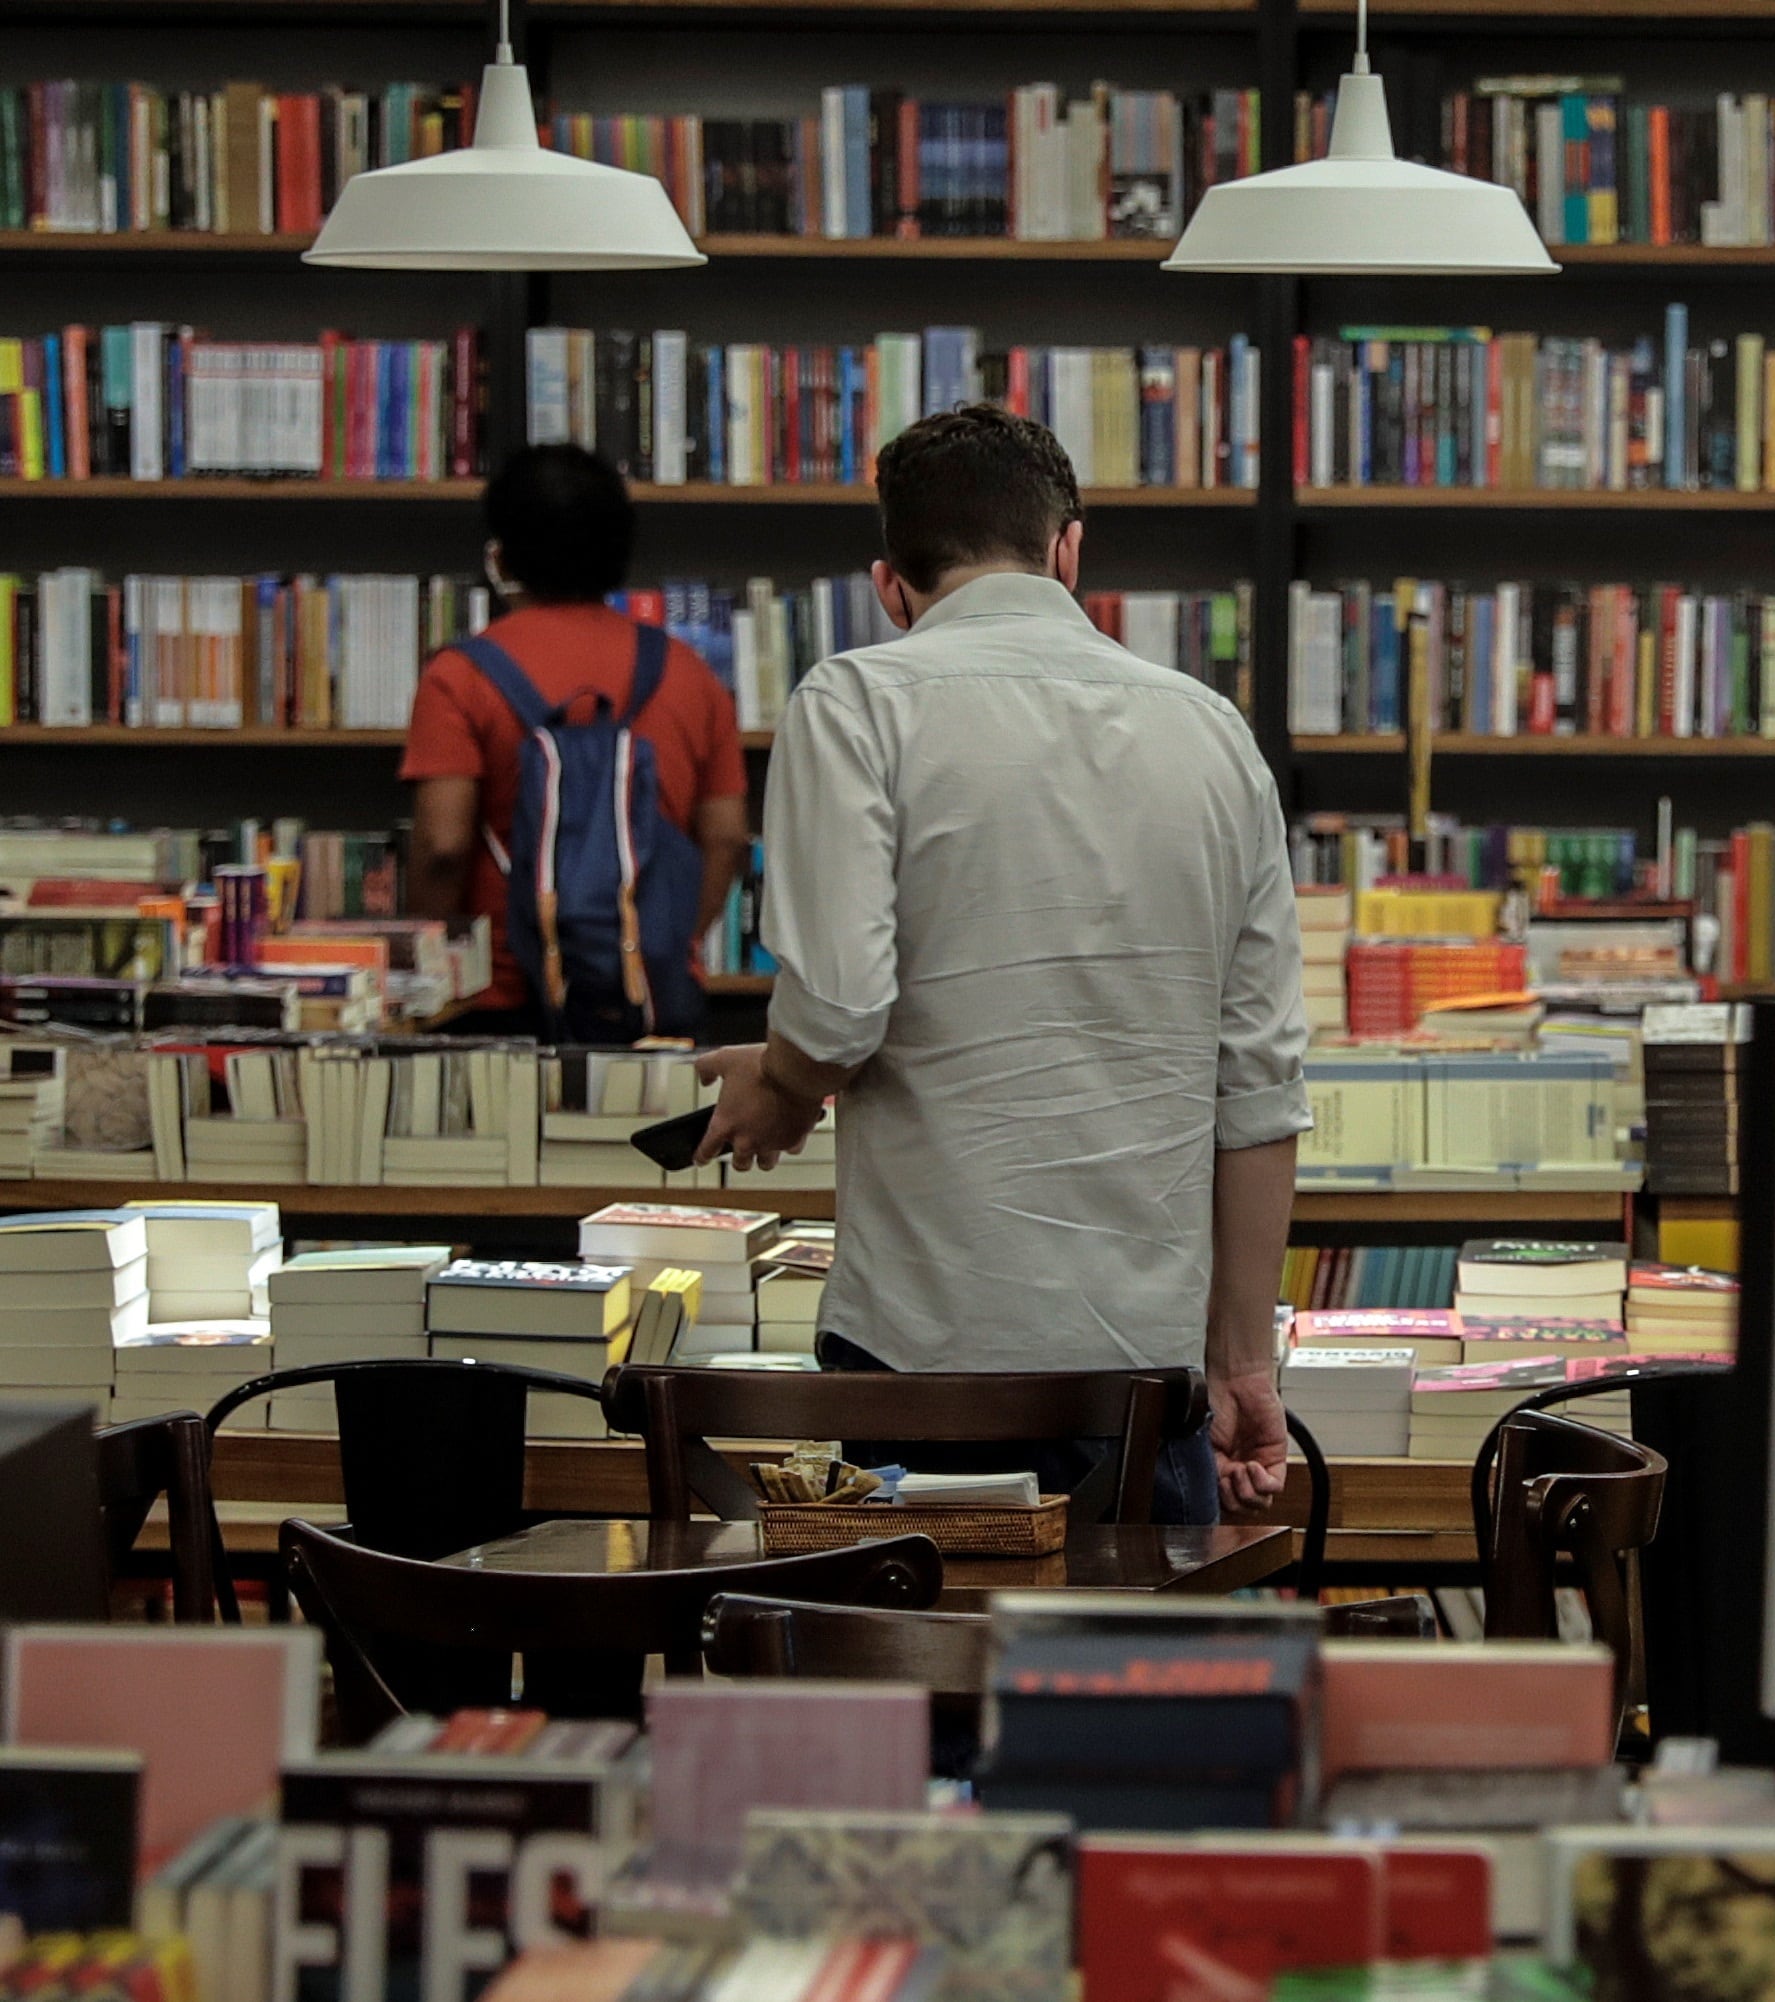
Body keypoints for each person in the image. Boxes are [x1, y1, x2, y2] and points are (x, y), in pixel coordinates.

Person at [693, 406, 1310, 1524]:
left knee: (922, 1684)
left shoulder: (859, 701)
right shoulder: (1216, 735)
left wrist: (781, 1089)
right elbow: (1259, 1092)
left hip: (926, 1359)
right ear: (1070, 550)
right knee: (1128, 1692)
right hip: (1141, 1377)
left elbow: (836, 1011)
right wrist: (1243, 1363)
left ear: (891, 585)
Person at [401, 444, 751, 1036]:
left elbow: (442, 846)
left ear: (502, 555)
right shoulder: (688, 674)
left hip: (500, 999)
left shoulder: (460, 676)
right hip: (651, 1000)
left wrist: (433, 969)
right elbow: (727, 839)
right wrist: (659, 941)